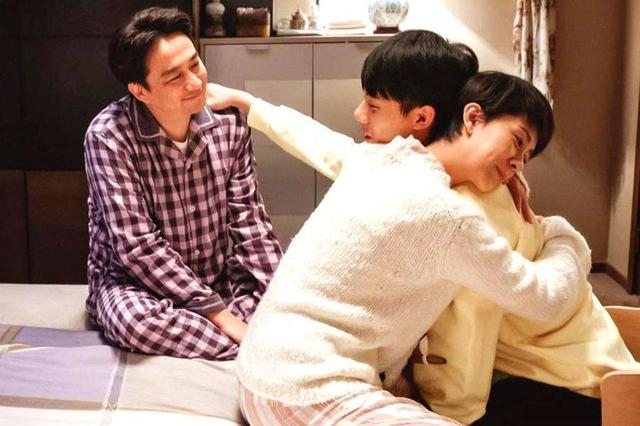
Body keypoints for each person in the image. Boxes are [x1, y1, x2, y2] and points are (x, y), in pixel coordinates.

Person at [208, 46, 590, 426]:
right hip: (307, 390)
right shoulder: (446, 217)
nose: (519, 163)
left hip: (267, 370)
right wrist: (558, 233)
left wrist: (251, 105)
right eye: (518, 142)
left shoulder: (377, 158)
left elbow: (320, 141)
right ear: (472, 117)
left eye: (527, 156)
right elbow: (545, 299)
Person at [83, 7, 282, 361]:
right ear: (140, 90)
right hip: (136, 285)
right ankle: (255, 345)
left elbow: (251, 224)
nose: (195, 82)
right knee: (135, 323)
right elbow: (138, 247)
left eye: (195, 65)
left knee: (285, 301)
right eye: (174, 76)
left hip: (216, 278)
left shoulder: (229, 122)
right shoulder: (109, 136)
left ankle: (248, 337)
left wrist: (283, 298)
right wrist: (221, 316)